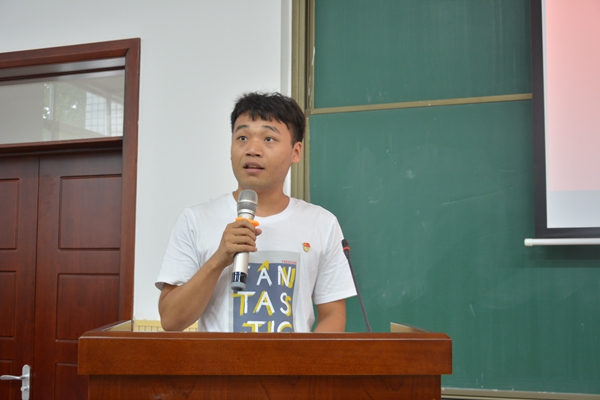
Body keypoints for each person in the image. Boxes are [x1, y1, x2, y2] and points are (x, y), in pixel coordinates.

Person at [155, 92, 356, 332]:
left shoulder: (322, 223)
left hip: (294, 359)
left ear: (296, 152)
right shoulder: (195, 220)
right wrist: (218, 260)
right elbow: (171, 321)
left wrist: (302, 357)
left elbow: (333, 315)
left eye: (269, 139)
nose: (252, 149)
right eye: (242, 137)